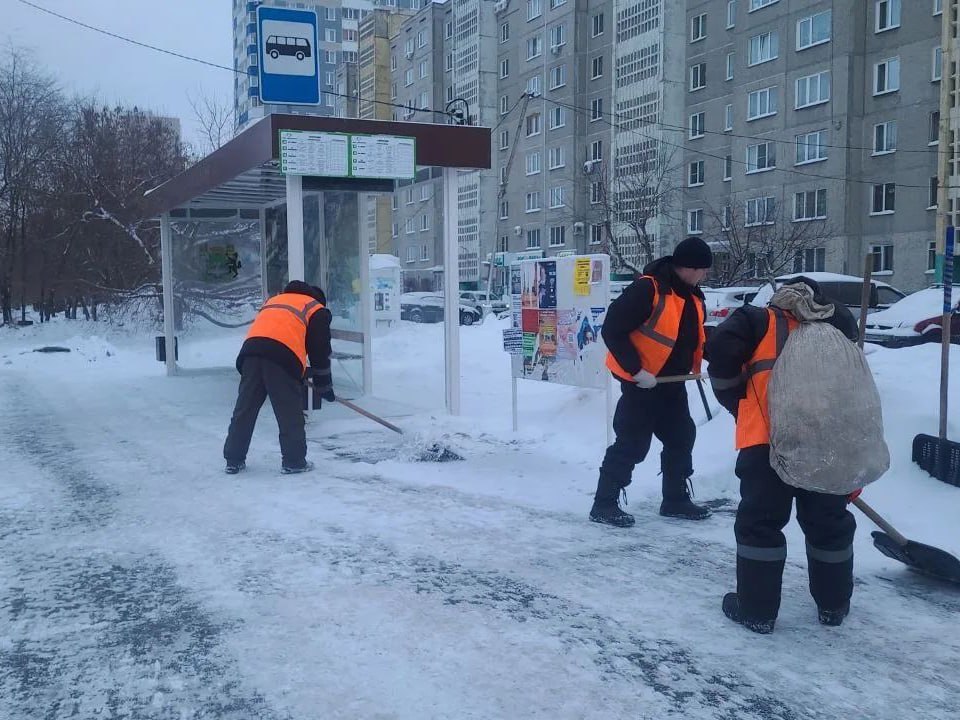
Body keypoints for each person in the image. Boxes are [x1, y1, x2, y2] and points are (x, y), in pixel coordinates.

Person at [705, 277, 859, 634]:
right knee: (829, 522)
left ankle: (757, 611)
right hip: (827, 442)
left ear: (779, 299)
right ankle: (833, 606)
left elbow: (721, 355)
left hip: (767, 441)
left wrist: (740, 404)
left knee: (761, 523)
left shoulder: (755, 320)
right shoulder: (838, 324)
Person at [589, 236, 714, 527]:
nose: (705, 275)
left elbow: (693, 340)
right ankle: (604, 503)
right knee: (632, 444)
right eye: (704, 270)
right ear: (692, 268)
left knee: (681, 437)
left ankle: (675, 499)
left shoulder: (693, 296)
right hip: (641, 385)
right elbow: (613, 329)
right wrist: (636, 371)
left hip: (673, 384)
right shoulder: (649, 289)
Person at [222, 281, 334, 475]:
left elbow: (277, 332)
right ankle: (294, 461)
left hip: (251, 353)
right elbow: (319, 351)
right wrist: (324, 385)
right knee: (289, 412)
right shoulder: (316, 308)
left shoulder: (275, 300)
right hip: (281, 358)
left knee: (245, 409)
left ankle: (233, 459)